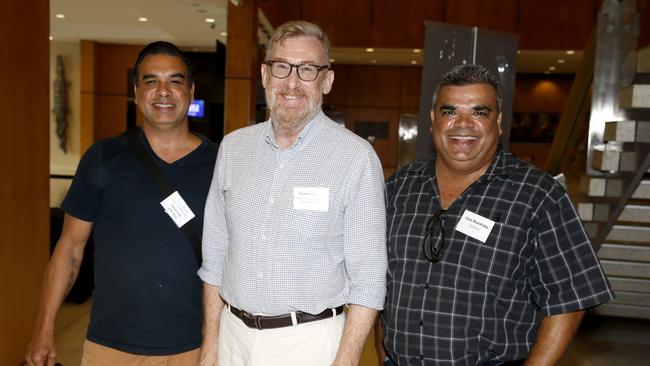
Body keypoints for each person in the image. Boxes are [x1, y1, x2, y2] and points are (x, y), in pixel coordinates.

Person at [380, 64, 614, 365]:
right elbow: (380, 284)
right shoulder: (399, 188)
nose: (463, 124)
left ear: (499, 122)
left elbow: (569, 300)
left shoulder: (538, 195)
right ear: (433, 120)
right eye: (450, 111)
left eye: (479, 112)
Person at [198, 20, 387, 366]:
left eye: (307, 70)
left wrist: (345, 360)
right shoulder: (233, 148)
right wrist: (211, 345)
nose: (292, 82)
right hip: (232, 338)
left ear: (326, 80)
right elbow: (214, 257)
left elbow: (369, 279)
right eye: (282, 67)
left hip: (310, 344)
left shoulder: (356, 159)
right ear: (265, 75)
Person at [25, 41, 218, 366]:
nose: (163, 91)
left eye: (175, 80)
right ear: (136, 91)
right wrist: (43, 329)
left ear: (191, 89)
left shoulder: (222, 163)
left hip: (196, 348)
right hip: (111, 349)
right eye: (151, 81)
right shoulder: (103, 158)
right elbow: (70, 247)